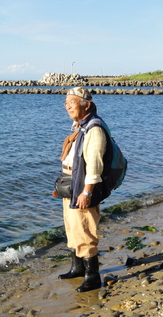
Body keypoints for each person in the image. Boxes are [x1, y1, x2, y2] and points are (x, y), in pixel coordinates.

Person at [58, 86, 109, 292]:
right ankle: (77, 268)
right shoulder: (81, 125)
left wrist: (87, 192)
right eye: (66, 103)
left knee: (85, 229)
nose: (67, 106)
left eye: (72, 102)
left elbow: (95, 165)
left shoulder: (94, 128)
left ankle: (93, 276)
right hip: (72, 183)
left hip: (83, 186)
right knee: (72, 227)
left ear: (86, 105)